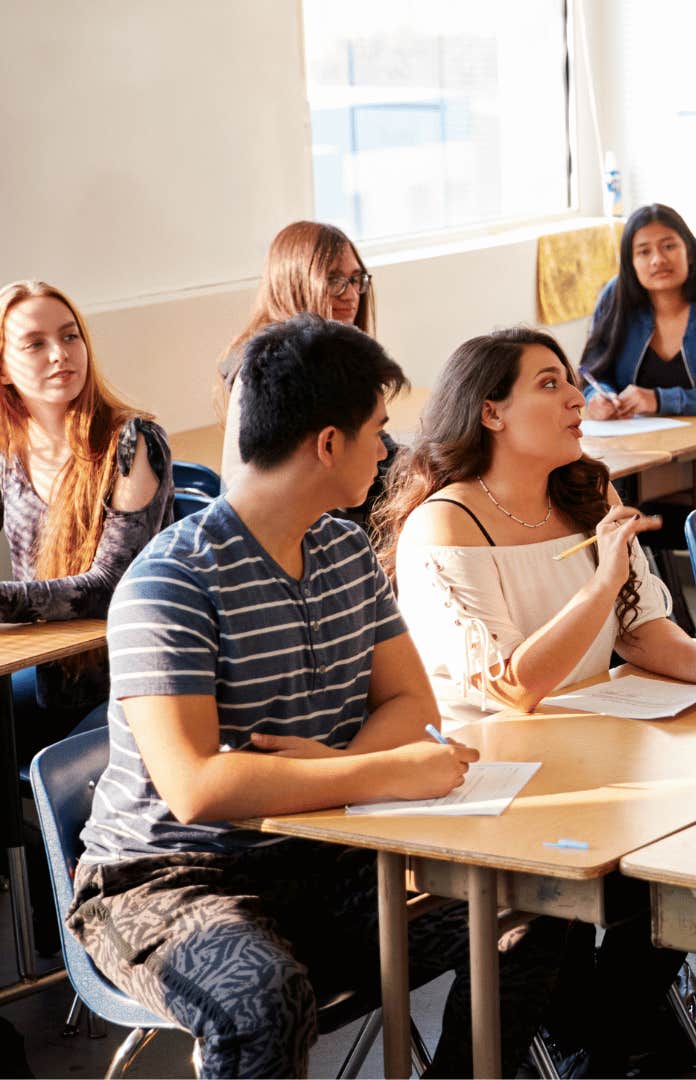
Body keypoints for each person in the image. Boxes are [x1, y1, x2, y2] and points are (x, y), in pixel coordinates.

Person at [70, 315, 564, 1078]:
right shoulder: (171, 582)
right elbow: (200, 786)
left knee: (535, 918)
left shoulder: (342, 548)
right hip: (164, 881)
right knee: (264, 1000)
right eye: (378, 428)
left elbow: (414, 706)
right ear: (328, 443)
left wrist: (335, 763)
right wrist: (379, 771)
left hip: (319, 853)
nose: (387, 449)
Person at [378, 325, 696, 724]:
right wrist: (603, 585)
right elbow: (512, 689)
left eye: (570, 384)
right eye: (549, 384)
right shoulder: (445, 523)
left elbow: (639, 628)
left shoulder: (590, 494)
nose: (577, 399)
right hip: (486, 750)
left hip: (580, 725)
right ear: (492, 413)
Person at [0, 280, 172, 750]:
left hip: (133, 685)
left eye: (70, 336)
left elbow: (107, 588)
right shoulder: (9, 453)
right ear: (3, 369)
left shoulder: (133, 442)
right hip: (49, 677)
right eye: (35, 344)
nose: (60, 354)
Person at [215, 220, 393, 527]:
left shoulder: (326, 361)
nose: (350, 294)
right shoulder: (274, 368)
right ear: (294, 281)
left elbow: (381, 454)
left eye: (355, 279)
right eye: (334, 279)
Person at [580, 203, 696, 474]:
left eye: (668, 246)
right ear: (631, 263)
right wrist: (598, 399)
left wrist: (660, 400)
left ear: (688, 252)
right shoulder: (615, 297)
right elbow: (592, 376)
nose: (657, 259)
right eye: (644, 251)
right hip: (637, 457)